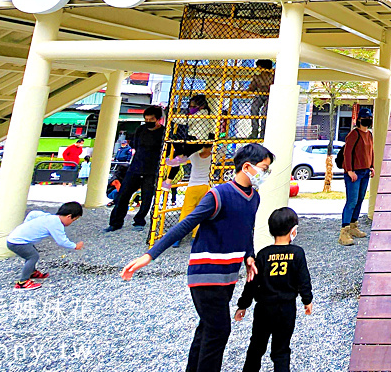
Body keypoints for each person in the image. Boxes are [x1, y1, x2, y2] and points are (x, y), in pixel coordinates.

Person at [122, 143, 274, 372]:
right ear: (247, 167)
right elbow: (186, 224)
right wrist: (149, 256)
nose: (266, 173)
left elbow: (246, 229)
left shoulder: (254, 197)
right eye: (264, 168)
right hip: (206, 275)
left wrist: (249, 257)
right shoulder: (218, 194)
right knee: (219, 330)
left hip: (228, 275)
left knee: (207, 328)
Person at [235, 207, 314, 372]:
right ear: (293, 231)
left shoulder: (263, 254)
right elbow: (303, 280)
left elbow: (251, 283)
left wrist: (243, 305)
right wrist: (307, 300)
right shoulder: (297, 253)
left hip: (264, 308)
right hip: (286, 308)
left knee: (256, 345)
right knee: (281, 349)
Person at [106, 105, 165, 232]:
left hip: (152, 169)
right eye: (146, 119)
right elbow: (135, 145)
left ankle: (139, 220)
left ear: (159, 119)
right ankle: (115, 222)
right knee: (123, 194)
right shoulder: (140, 129)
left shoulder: (163, 132)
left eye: (151, 120)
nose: (148, 122)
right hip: (135, 167)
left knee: (147, 196)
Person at [6, 202, 85, 290]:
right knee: (32, 257)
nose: (71, 223)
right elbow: (62, 241)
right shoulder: (57, 224)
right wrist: (75, 246)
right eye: (73, 220)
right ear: (69, 216)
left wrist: (26, 225)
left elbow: (32, 214)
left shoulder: (48, 216)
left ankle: (31, 272)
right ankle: (22, 282)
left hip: (15, 239)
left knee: (32, 252)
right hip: (17, 242)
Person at [166, 142, 215, 241]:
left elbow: (183, 158)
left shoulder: (194, 156)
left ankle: (179, 235)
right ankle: (196, 234)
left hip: (192, 186)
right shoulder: (212, 157)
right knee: (201, 212)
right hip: (206, 186)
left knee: (186, 211)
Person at [339, 112, 374, 246]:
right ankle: (344, 231)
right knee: (352, 201)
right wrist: (349, 170)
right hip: (354, 173)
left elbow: (371, 151)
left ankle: (354, 226)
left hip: (365, 172)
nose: (368, 120)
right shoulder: (354, 134)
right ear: (359, 119)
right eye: (366, 118)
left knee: (359, 200)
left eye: (370, 118)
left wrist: (372, 166)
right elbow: (347, 153)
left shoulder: (369, 134)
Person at [247, 61, 275, 139]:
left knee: (265, 113)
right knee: (254, 109)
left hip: (270, 95)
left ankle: (263, 132)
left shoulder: (273, 77)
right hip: (260, 95)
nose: (258, 69)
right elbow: (252, 88)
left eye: (259, 67)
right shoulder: (257, 77)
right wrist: (246, 92)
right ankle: (255, 131)